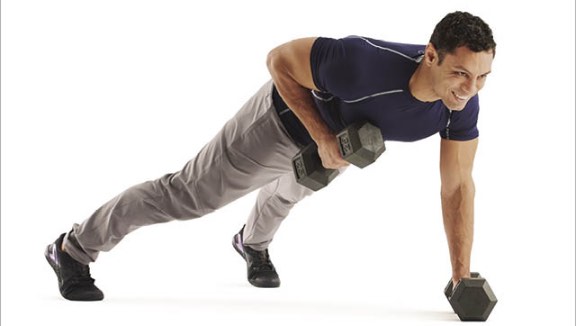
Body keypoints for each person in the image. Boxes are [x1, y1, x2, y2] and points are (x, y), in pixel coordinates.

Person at [45, 11, 496, 301]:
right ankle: (73, 247)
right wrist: (320, 136)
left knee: (286, 196)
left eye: (482, 77)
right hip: (279, 123)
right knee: (187, 196)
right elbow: (279, 59)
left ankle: (252, 244)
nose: (469, 88)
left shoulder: (462, 105)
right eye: (460, 73)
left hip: (338, 146)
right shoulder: (361, 61)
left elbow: (457, 186)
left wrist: (460, 275)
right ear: (431, 55)